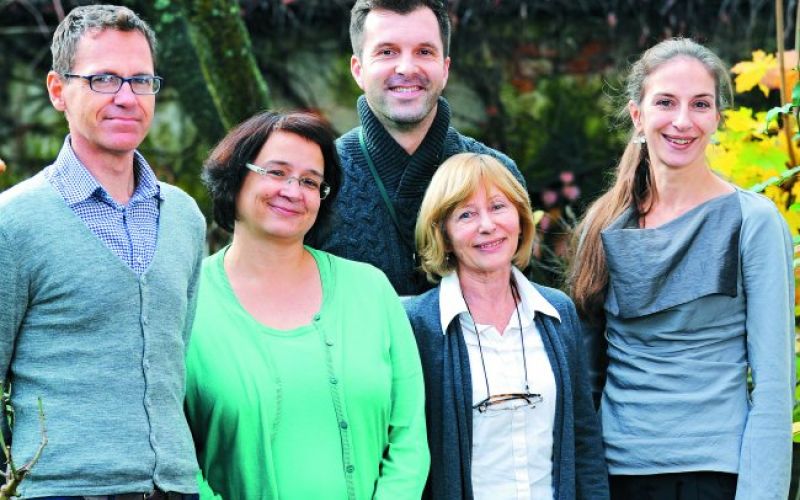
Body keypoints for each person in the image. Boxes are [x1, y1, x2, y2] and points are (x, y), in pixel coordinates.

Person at [569, 38, 795, 500]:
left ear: (718, 118)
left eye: (700, 104)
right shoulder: (604, 226)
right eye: (666, 102)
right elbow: (587, 383)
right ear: (637, 115)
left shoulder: (753, 222)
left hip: (716, 476)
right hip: (618, 475)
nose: (682, 120)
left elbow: (774, 386)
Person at [0, 5, 205, 499]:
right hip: (60, 489)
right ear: (58, 91)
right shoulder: (13, 222)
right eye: (104, 79)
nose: (126, 98)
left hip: (175, 487)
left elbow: (174, 360)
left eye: (141, 81)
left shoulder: (185, 218)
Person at [184, 111, 429, 499]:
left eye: (310, 181)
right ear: (234, 176)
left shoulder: (370, 289)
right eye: (276, 172)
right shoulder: (187, 302)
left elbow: (409, 437)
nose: (293, 191)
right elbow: (174, 450)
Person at [404, 153, 608, 499]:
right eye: (466, 214)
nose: (487, 225)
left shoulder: (557, 312)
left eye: (498, 206)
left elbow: (584, 440)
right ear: (444, 233)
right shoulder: (419, 324)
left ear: (520, 217)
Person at [308, 0, 525, 296]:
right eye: (387, 52)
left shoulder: (500, 174)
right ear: (358, 70)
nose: (407, 68)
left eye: (424, 51)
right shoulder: (319, 178)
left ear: (444, 69)